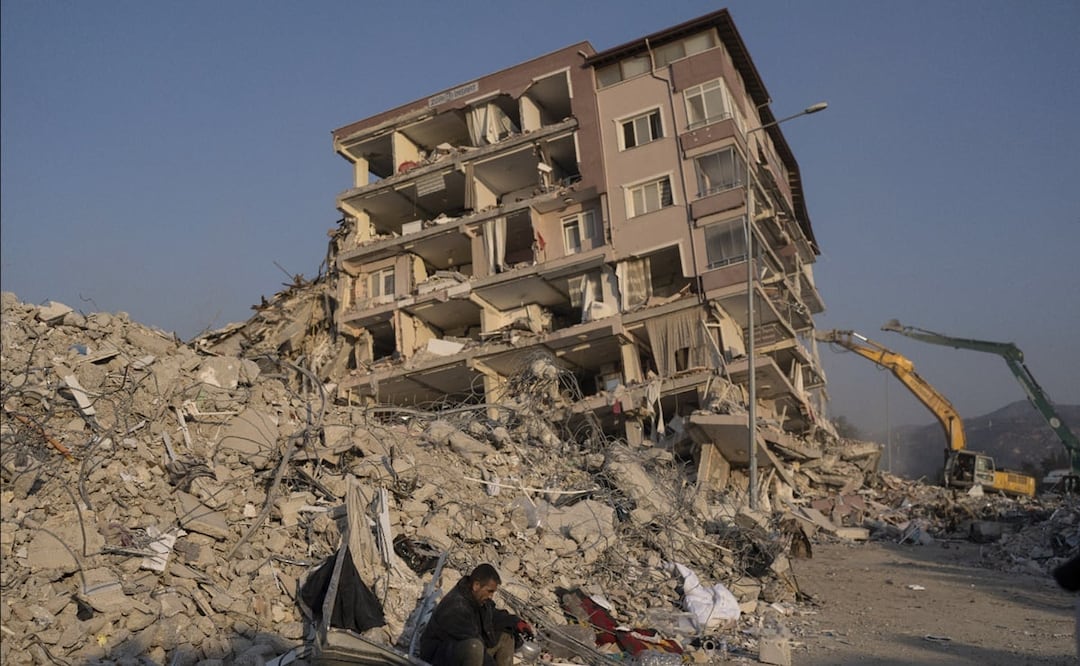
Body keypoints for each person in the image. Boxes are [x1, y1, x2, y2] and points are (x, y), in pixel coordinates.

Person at [419, 563, 533, 666]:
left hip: (466, 648)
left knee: (506, 636)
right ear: (476, 585)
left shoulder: (478, 599)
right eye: (489, 591)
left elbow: (493, 615)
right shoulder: (456, 607)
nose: (491, 596)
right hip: (438, 656)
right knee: (475, 647)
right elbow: (474, 642)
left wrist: (517, 623)